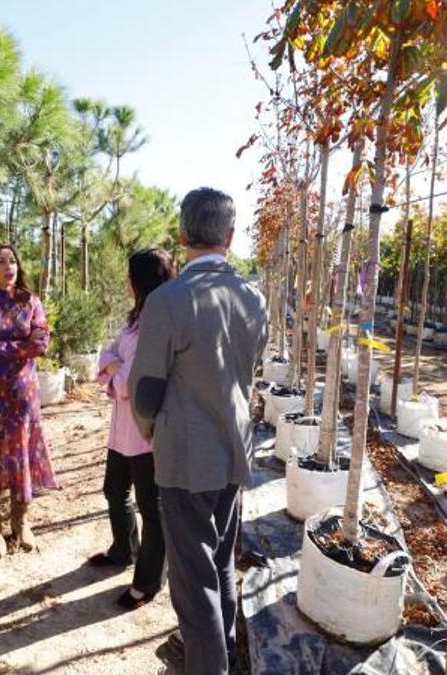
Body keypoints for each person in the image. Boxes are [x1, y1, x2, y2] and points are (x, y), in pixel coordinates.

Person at [128, 188, 268, 675]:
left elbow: (144, 390)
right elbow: (247, 371)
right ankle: (223, 654)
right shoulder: (253, 296)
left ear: (183, 234)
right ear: (230, 236)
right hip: (234, 449)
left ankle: (210, 665)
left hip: (186, 459)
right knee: (220, 563)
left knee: (193, 585)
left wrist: (153, 433)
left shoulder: (168, 300)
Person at [90, 247, 175, 610]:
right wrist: (114, 365)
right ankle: (124, 548)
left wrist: (115, 368)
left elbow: (128, 383)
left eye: (129, 276)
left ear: (138, 281)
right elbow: (107, 355)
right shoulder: (136, 319)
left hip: (145, 433)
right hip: (122, 430)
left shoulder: (158, 324)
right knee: (114, 490)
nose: (126, 282)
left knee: (150, 507)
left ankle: (147, 582)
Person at [0, 243, 58, 559]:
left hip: (22, 394)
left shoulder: (29, 301)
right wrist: (18, 344)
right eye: (1, 261)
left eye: (13, 260)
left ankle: (21, 522)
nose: (9, 266)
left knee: (21, 455)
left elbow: (41, 342)